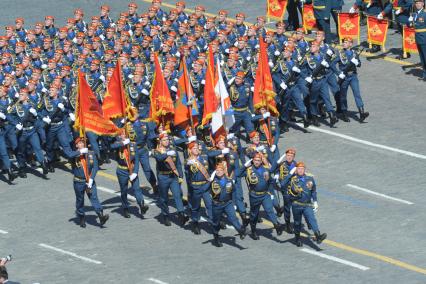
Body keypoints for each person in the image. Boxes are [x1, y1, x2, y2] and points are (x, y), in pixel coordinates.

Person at [244, 152, 284, 240]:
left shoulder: (266, 169)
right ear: (252, 161)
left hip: (265, 194)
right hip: (254, 195)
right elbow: (237, 174)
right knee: (254, 215)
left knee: (269, 210)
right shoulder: (248, 170)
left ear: (261, 161)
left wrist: (275, 183)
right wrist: (244, 166)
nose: (257, 162)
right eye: (255, 160)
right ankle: (253, 231)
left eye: (258, 160)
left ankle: (277, 226)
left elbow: (270, 181)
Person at [152, 131, 189, 226]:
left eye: (167, 139)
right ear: (160, 141)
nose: (166, 141)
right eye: (164, 140)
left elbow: (178, 164)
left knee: (177, 195)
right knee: (164, 198)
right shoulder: (157, 150)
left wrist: (180, 175)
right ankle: (165, 215)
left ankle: (181, 214)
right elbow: (159, 158)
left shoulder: (173, 149)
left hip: (173, 176)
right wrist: (167, 153)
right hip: (163, 177)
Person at [71, 137, 109, 228]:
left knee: (94, 198)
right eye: (79, 143)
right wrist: (80, 152)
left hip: (89, 181)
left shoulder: (91, 154)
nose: (81, 144)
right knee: (80, 200)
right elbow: (69, 155)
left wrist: (91, 178)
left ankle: (101, 216)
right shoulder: (74, 155)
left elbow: (95, 167)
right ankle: (81, 217)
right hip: (79, 181)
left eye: (83, 143)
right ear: (76, 145)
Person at [111, 129, 149, 219]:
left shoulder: (133, 145)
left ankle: (142, 205)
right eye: (122, 134)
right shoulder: (118, 144)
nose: (124, 135)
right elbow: (112, 146)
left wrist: (135, 172)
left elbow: (136, 159)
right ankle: (125, 207)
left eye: (125, 134)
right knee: (124, 190)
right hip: (122, 170)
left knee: (137, 189)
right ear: (120, 136)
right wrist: (123, 143)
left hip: (131, 169)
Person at [288, 162, 327, 246]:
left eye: (302, 169)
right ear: (296, 170)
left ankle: (318, 235)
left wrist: (315, 202)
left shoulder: (310, 179)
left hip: (307, 204)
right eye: (298, 169)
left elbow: (313, 191)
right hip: (296, 204)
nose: (300, 170)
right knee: (297, 223)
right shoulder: (292, 179)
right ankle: (297, 238)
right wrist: (290, 174)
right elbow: (283, 184)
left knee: (312, 219)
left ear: (304, 169)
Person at [210, 163, 246, 247]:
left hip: (227, 203)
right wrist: (209, 180)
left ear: (224, 171)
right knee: (216, 223)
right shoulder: (212, 181)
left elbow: (233, 192)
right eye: (217, 170)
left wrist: (234, 203)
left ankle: (240, 231)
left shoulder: (229, 180)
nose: (218, 172)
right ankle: (216, 237)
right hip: (217, 205)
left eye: (220, 170)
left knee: (233, 218)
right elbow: (204, 190)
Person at [334, 38, 369, 122]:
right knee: (343, 96)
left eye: (346, 42)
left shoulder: (354, 53)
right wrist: (339, 73)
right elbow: (332, 64)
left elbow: (359, 64)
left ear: (350, 44)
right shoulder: (340, 53)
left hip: (353, 76)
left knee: (357, 93)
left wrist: (357, 62)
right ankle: (344, 113)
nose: (344, 44)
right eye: (343, 42)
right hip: (344, 77)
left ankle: (361, 112)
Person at [410, 0, 426, 80]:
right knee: (422, 58)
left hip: (424, 38)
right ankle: (424, 74)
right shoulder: (414, 14)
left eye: (419, 3)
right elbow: (410, 25)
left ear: (423, 4)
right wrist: (408, 21)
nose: (417, 4)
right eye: (416, 3)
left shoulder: (425, 13)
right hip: (418, 38)